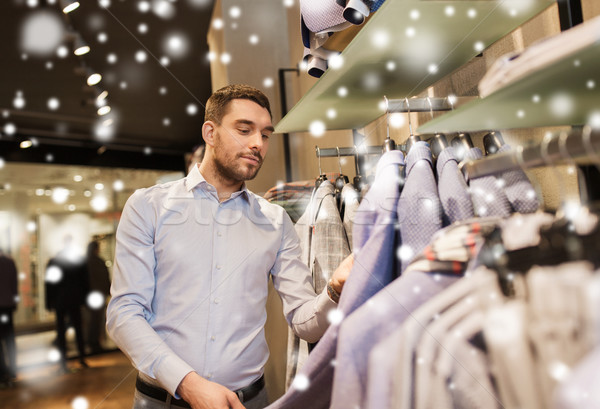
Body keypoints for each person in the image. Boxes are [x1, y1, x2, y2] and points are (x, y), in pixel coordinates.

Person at [107, 84, 354, 409]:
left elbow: (303, 322)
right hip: (161, 402)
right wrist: (189, 384)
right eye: (244, 130)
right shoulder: (148, 207)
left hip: (250, 401)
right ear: (210, 132)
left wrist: (334, 289)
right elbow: (123, 315)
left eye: (265, 135)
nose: (257, 144)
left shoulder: (276, 221)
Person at [45, 236, 89, 371]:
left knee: (61, 330)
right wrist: (85, 299)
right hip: (74, 299)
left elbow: (49, 284)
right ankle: (81, 357)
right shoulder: (77, 261)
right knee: (78, 328)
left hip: (60, 300)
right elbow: (85, 282)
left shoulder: (55, 261)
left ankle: (63, 362)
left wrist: (49, 302)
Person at [85, 241, 111, 354]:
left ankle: (92, 341)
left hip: (90, 296)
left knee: (92, 319)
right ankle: (94, 341)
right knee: (96, 319)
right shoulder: (99, 262)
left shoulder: (86, 262)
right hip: (98, 295)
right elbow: (106, 279)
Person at [0, 249, 18, 385]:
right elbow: (14, 284)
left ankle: (2, 371)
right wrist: (14, 301)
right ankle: (12, 368)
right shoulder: (9, 261)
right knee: (9, 338)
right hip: (8, 305)